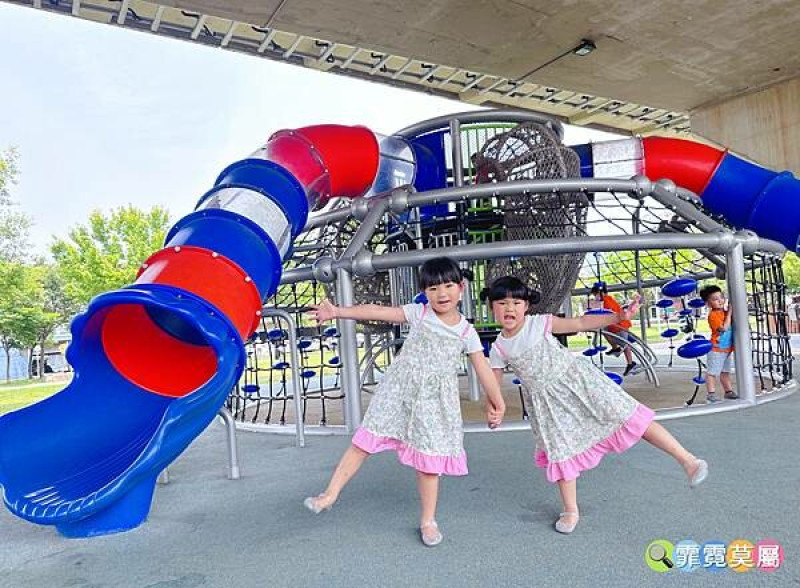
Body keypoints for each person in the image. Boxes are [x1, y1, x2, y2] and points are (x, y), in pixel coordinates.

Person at [303, 257, 506, 547]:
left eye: (449, 286)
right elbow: (378, 311)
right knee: (364, 441)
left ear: (461, 288)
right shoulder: (419, 313)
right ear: (425, 292)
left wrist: (496, 401)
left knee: (428, 462)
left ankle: (428, 519)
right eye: (433, 288)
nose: (442, 294)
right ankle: (330, 494)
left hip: (434, 401)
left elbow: (482, 367)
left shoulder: (465, 331)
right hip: (399, 390)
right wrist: (337, 311)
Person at [484, 276, 708, 534]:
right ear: (492, 307)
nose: (509, 308)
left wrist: (616, 317)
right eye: (501, 303)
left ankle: (688, 460)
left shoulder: (539, 323)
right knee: (561, 449)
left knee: (629, 415)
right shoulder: (499, 347)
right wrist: (494, 407)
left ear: (526, 305)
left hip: (578, 381)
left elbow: (580, 322)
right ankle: (570, 509)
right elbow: (494, 382)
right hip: (546, 403)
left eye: (516, 302)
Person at [589, 282, 639, 376]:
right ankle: (617, 350)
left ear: (600, 293)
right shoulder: (607, 300)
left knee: (624, 344)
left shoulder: (607, 301)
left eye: (596, 295)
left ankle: (630, 362)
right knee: (605, 331)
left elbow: (609, 314)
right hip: (615, 326)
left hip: (620, 325)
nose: (595, 298)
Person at [698, 285, 738, 403]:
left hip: (726, 349)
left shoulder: (724, 312)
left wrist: (728, 312)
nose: (720, 301)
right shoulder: (713, 315)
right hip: (716, 349)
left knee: (725, 371)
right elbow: (724, 328)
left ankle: (728, 391)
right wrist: (730, 313)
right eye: (715, 299)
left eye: (721, 297)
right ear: (708, 303)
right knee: (712, 372)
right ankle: (711, 394)